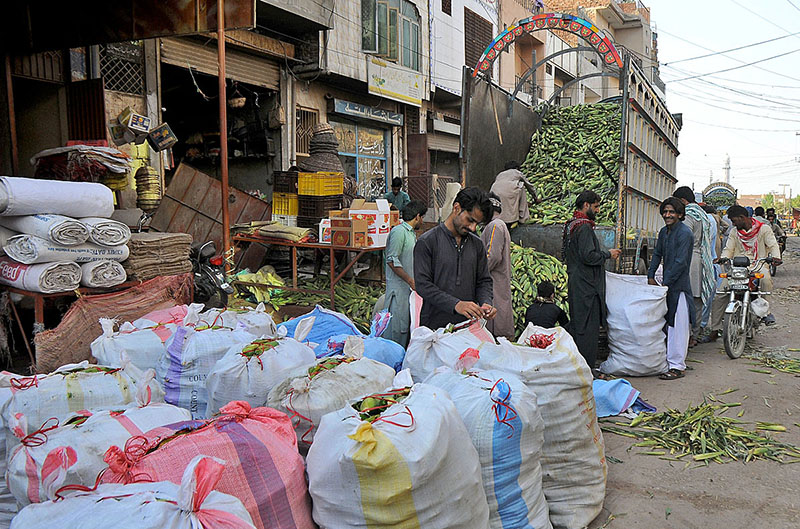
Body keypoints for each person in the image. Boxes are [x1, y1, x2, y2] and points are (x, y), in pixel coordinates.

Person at [414, 187, 496, 330]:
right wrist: (456, 304)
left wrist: (486, 302)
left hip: (468, 327)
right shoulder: (427, 242)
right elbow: (423, 285)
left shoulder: (477, 244)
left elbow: (484, 280)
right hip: (434, 328)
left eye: (477, 224)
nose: (473, 228)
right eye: (470, 220)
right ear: (456, 208)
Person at [562, 190, 621, 370]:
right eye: (596, 206)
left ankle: (577, 365)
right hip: (587, 285)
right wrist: (607, 254)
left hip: (576, 282)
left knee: (579, 325)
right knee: (588, 329)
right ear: (586, 205)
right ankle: (586, 368)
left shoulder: (571, 224)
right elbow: (589, 256)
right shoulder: (584, 227)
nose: (598, 210)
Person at [648, 197, 694, 380]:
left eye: (671, 212)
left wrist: (665, 283)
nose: (667, 215)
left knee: (678, 327)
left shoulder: (685, 234)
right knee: (668, 324)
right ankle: (670, 361)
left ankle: (677, 367)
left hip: (679, 286)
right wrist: (651, 276)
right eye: (665, 212)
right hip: (667, 285)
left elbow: (681, 262)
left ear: (680, 214)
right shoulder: (663, 232)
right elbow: (657, 253)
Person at [383, 200, 428, 347]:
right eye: (422, 217)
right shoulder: (399, 232)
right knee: (396, 330)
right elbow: (392, 260)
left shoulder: (410, 234)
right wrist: (410, 280)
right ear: (417, 216)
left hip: (407, 291)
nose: (422, 221)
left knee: (405, 329)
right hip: (398, 291)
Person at [673, 186, 713, 345]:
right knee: (696, 300)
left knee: (688, 299)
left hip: (690, 259)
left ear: (683, 201)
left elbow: (685, 238)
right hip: (701, 259)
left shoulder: (689, 215)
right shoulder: (702, 215)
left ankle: (689, 336)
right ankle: (694, 334)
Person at [480, 193, 514, 340]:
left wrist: (477, 273)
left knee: (495, 317)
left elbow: (492, 256)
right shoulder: (497, 225)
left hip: (494, 281)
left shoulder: (495, 226)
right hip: (497, 280)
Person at [490, 160, 541, 225]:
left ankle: (501, 218)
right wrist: (535, 198)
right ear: (517, 168)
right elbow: (529, 186)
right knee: (521, 186)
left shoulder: (500, 174)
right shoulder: (517, 172)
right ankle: (523, 218)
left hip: (493, 192)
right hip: (508, 192)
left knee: (506, 198)